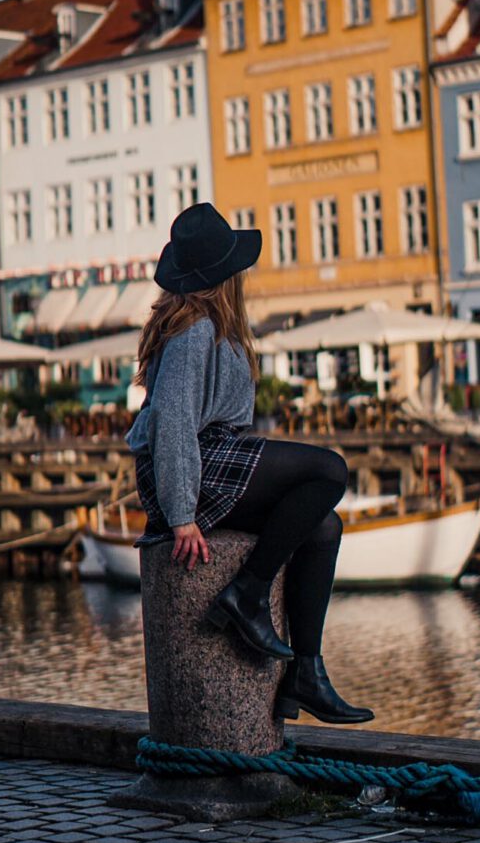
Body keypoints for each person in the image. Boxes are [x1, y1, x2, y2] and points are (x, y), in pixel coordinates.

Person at [126, 203, 373, 725]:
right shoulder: (194, 330)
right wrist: (180, 514)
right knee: (330, 470)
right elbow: (172, 422)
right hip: (195, 465)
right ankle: (249, 594)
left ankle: (304, 673)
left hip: (211, 459)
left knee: (324, 526)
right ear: (226, 276)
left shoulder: (210, 325)